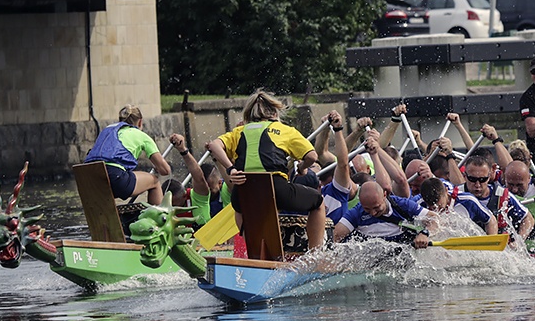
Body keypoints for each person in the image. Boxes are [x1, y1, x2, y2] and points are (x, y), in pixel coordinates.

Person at [207, 89, 325, 251]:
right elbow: (312, 156)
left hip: (243, 193)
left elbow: (214, 145)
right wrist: (302, 169)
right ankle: (316, 253)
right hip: (277, 190)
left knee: (239, 209)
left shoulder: (238, 132)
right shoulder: (285, 130)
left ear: (248, 114)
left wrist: (231, 170)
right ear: (275, 112)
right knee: (318, 202)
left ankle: (254, 252)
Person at [84, 104, 171, 205]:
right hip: (114, 177)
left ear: (121, 121)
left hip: (89, 178)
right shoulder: (141, 135)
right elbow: (165, 170)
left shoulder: (108, 130)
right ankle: (158, 218)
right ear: (140, 122)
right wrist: (158, 168)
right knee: (154, 182)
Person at [333, 181, 433, 249]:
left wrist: (424, 234)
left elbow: (434, 218)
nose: (373, 213)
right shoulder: (356, 213)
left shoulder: (403, 205)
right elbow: (336, 236)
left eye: (377, 207)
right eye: (367, 209)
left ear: (384, 195)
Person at [459, 154, 533, 239]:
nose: (478, 184)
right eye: (472, 179)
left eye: (483, 179)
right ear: (465, 176)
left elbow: (528, 219)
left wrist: (519, 241)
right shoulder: (457, 194)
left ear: (489, 177)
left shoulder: (501, 195)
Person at [168, 132, 225, 224]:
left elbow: (198, 178)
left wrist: (183, 150)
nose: (171, 207)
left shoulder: (199, 198)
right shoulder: (164, 209)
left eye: (173, 204)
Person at [419, 177, 497, 235]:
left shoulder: (468, 201)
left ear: (446, 191)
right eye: (432, 208)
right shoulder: (420, 204)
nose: (437, 209)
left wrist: (492, 243)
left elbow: (491, 220)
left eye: (440, 206)